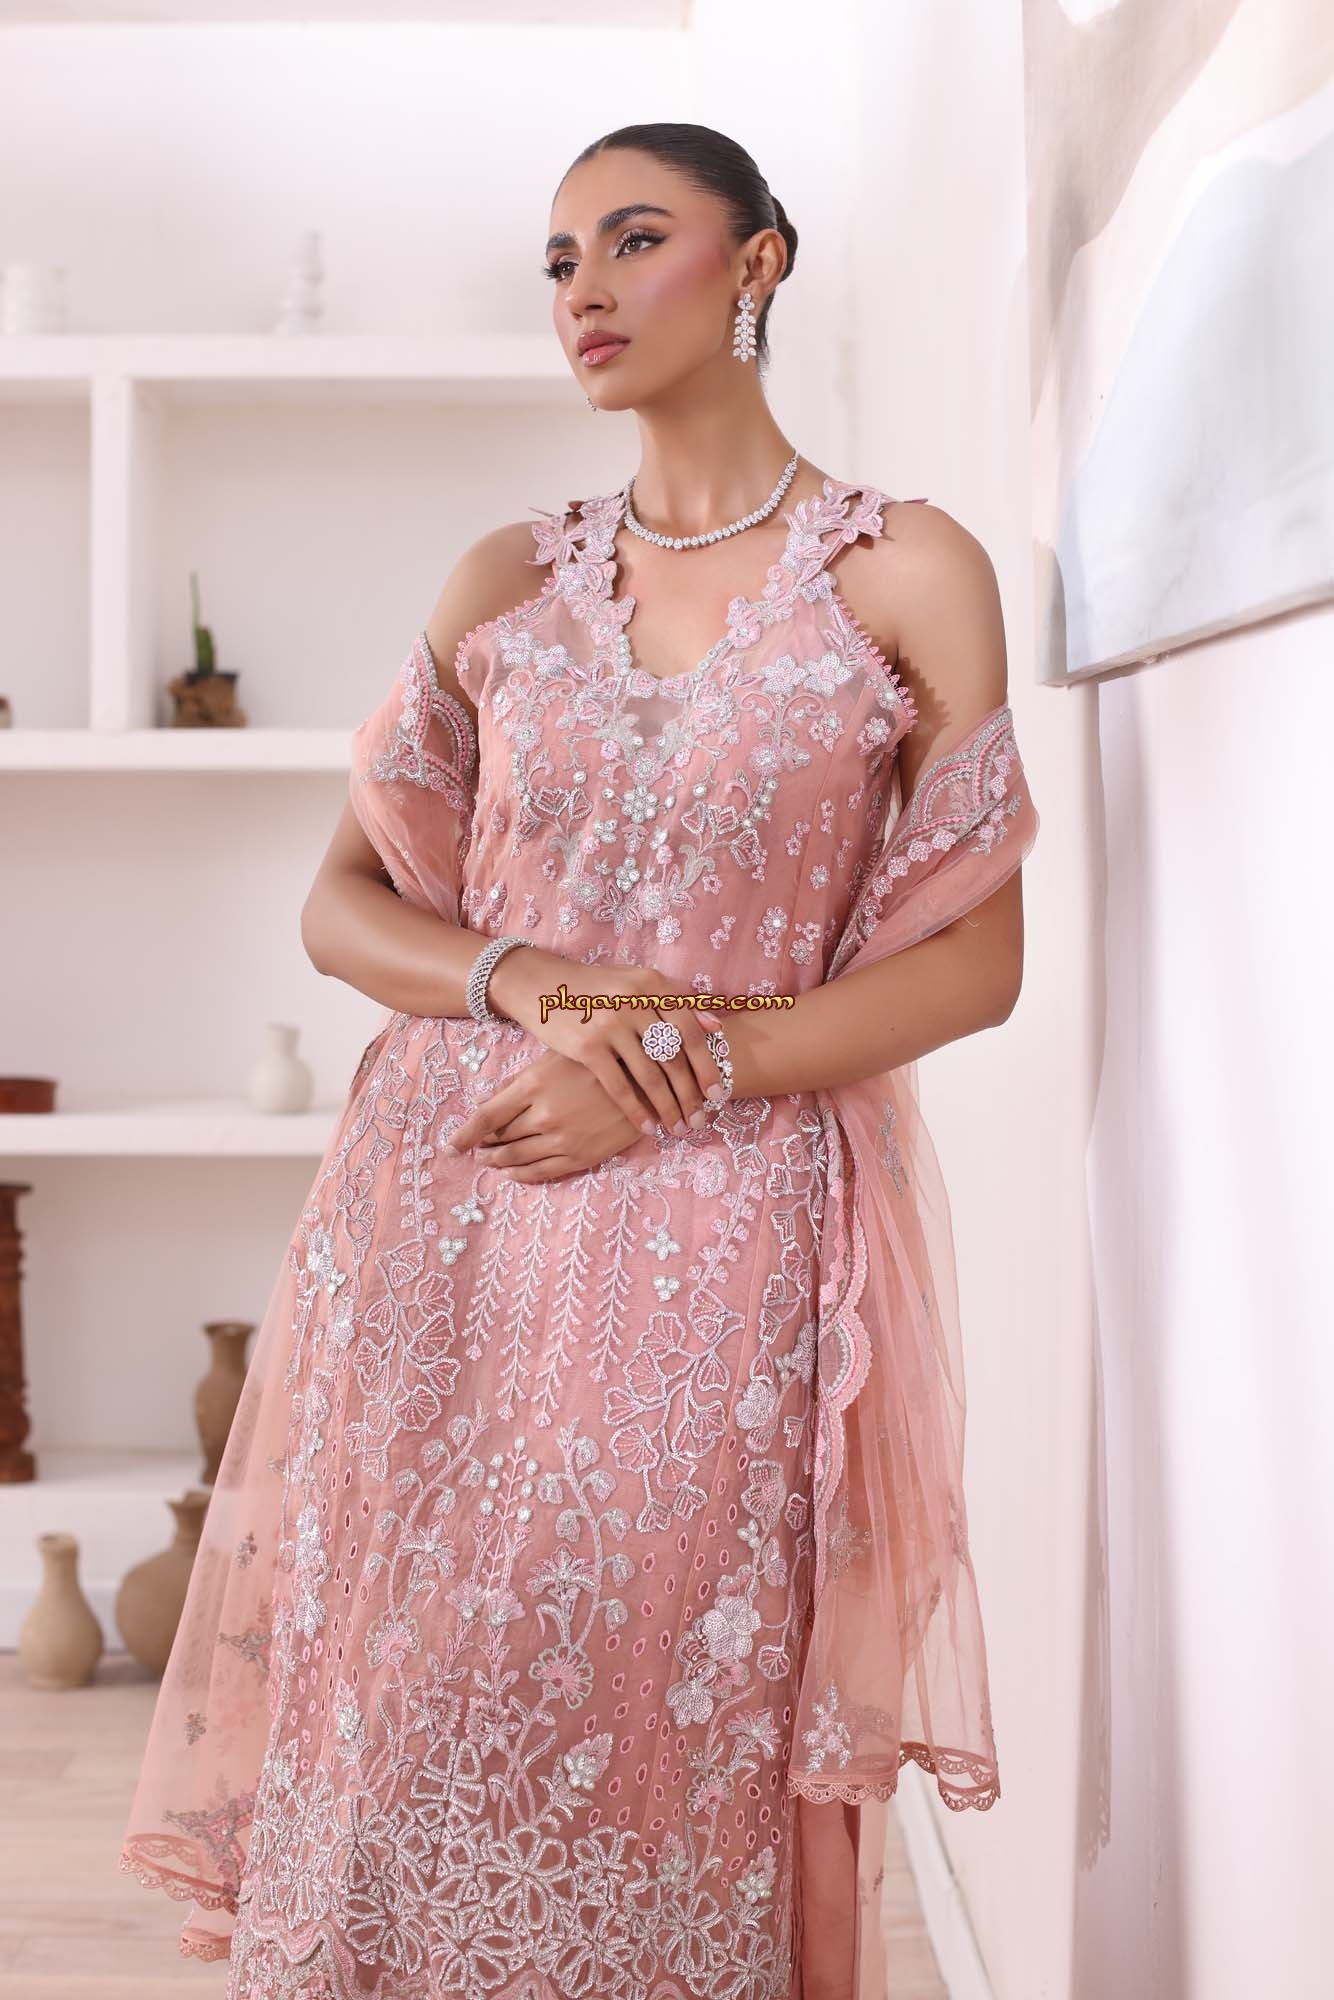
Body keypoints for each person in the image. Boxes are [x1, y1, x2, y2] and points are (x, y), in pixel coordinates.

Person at [119, 121, 1039, 2000]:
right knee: (417, 1686)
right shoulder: (503, 584)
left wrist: (673, 1062)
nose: (585, 292)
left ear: (759, 261)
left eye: (632, 240)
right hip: (456, 1198)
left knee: (667, 1682)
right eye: (558, 260)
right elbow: (343, 906)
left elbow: (974, 958)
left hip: (730, 1222)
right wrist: (538, 987)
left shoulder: (902, 571)